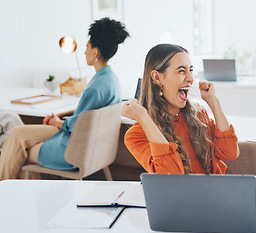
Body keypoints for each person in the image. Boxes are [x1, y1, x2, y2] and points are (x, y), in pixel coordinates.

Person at [0, 17, 129, 180]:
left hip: (70, 149)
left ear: (95, 52)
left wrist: (58, 122)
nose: (84, 52)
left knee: (18, 147)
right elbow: (84, 119)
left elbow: (78, 125)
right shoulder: (111, 79)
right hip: (83, 142)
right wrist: (60, 121)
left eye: (86, 47)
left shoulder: (96, 87)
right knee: (17, 133)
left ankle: (4, 192)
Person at [121, 44, 239, 174]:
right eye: (181, 71)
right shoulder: (136, 135)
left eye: (191, 70)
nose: (190, 79)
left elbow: (230, 153)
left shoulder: (199, 115)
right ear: (157, 78)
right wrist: (144, 118)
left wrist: (213, 101)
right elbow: (170, 176)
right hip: (179, 195)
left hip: (214, 192)